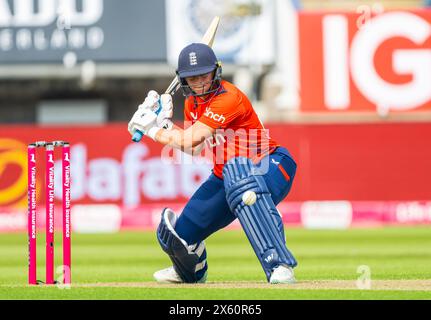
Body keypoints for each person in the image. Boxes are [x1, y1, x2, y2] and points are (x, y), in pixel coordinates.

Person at [128, 43, 298, 284]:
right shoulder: (192, 104)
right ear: (183, 79)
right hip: (225, 175)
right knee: (179, 236)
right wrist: (165, 124)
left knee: (241, 179)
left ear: (216, 72)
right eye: (192, 78)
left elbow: (190, 138)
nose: (199, 83)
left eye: (203, 75)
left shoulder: (229, 98)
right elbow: (194, 148)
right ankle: (193, 271)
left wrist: (152, 129)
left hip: (268, 164)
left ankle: (279, 265)